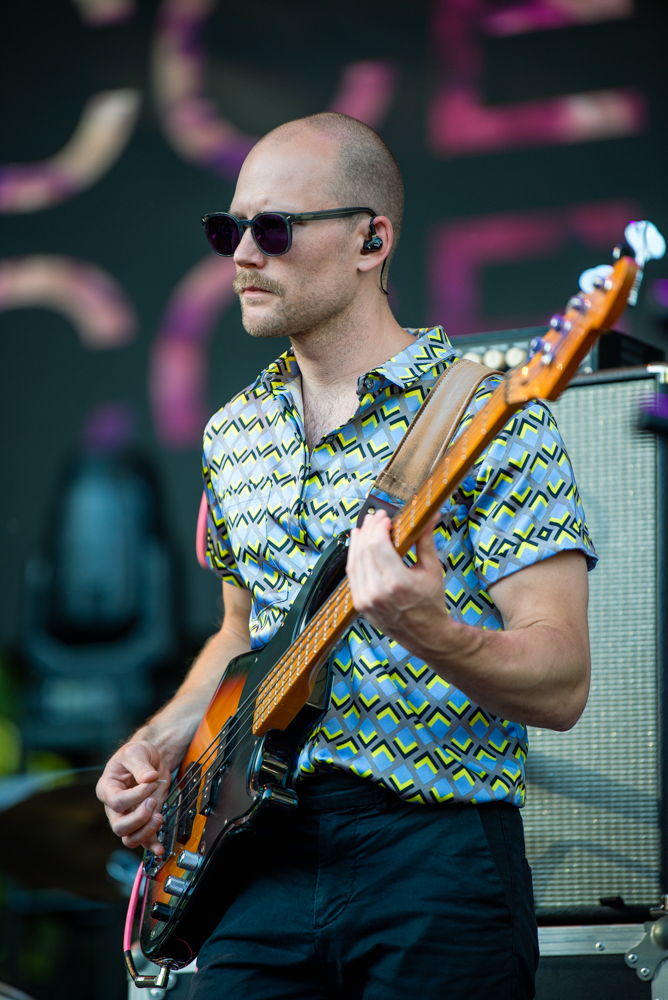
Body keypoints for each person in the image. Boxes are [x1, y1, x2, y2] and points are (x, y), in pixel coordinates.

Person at [97, 112, 595, 1000]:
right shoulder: (231, 433)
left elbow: (561, 683)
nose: (243, 255)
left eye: (274, 229)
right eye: (229, 229)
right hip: (257, 858)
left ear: (373, 240)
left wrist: (432, 631)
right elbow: (242, 637)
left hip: (434, 856)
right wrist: (160, 743)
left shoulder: (495, 416)